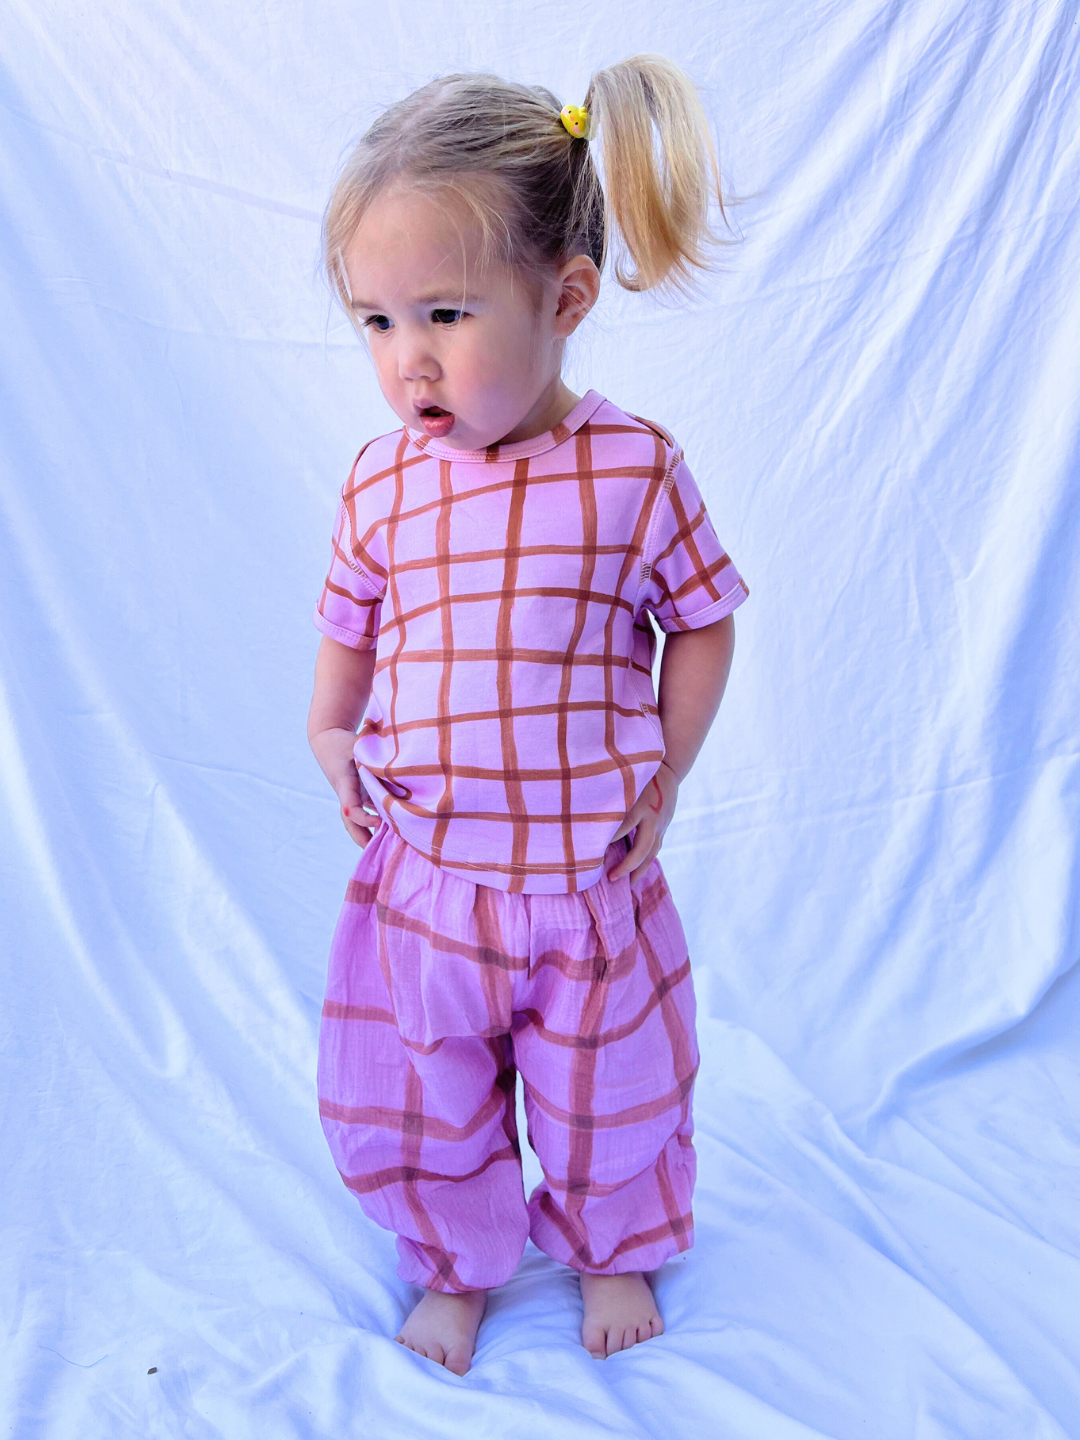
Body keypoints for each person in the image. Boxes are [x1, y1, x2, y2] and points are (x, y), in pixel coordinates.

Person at [307, 55, 748, 1377]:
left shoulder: (632, 466)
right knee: (427, 1097)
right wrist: (332, 737)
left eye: (442, 312)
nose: (407, 363)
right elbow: (345, 633)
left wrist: (664, 768)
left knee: (610, 1089)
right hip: (432, 886)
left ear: (563, 301)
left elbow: (706, 618)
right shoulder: (384, 484)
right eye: (375, 323)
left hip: (586, 881)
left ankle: (613, 1244)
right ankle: (454, 1261)